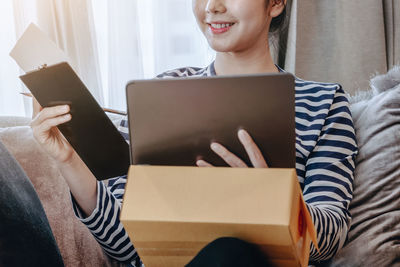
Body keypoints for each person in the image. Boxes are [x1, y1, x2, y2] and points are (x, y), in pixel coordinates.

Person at [30, 0, 358, 266]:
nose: (211, 6)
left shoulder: (324, 102)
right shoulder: (157, 94)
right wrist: (70, 161)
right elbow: (127, 248)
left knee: (230, 252)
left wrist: (269, 197)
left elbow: (328, 239)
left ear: (275, 3)